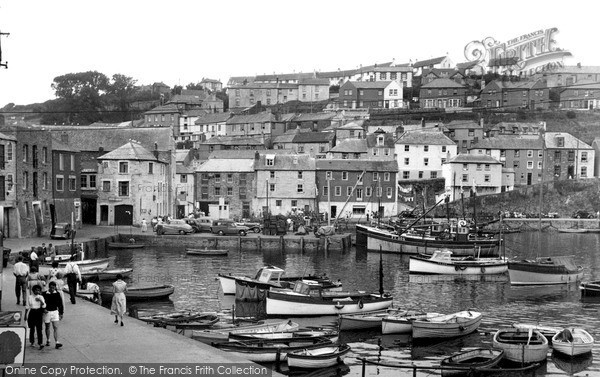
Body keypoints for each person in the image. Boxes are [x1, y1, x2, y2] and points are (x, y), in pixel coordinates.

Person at [43, 281, 63, 349]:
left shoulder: (57, 294)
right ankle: (48, 340)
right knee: (47, 327)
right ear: (49, 287)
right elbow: (42, 303)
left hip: (55, 312)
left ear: (55, 287)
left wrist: (61, 313)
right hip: (47, 312)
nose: (52, 289)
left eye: (53, 288)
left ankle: (57, 342)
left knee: (55, 327)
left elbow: (60, 304)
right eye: (51, 288)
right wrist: (44, 309)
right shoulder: (44, 294)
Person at [25, 284, 46, 349]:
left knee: (39, 328)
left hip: (39, 312)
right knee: (32, 328)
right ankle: (32, 341)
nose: (37, 292)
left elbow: (44, 306)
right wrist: (25, 315)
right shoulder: (30, 297)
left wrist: (40, 300)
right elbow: (27, 306)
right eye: (36, 290)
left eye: (39, 290)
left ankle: (40, 342)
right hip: (32, 312)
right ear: (33, 290)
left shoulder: (41, 297)